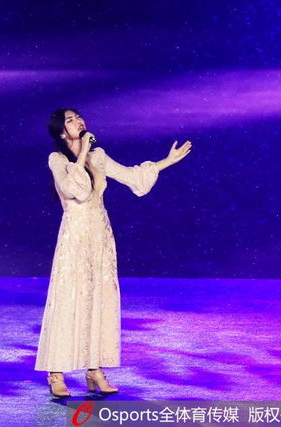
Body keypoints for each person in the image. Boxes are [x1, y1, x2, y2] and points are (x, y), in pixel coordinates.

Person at [35, 108, 192, 397]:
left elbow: (132, 176)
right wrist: (83, 152)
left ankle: (94, 369)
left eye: (78, 117)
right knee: (69, 297)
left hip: (100, 235)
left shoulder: (99, 156)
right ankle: (55, 371)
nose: (78, 121)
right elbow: (75, 190)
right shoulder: (57, 160)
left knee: (100, 299)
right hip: (75, 236)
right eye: (70, 120)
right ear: (61, 132)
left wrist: (167, 161)